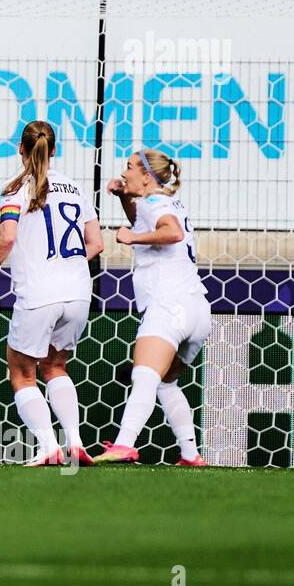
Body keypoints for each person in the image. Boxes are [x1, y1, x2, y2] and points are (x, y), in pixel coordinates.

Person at [0, 121, 104, 467]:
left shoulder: (15, 190)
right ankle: (76, 444)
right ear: (55, 149)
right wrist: (67, 262)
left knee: (21, 372)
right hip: (78, 292)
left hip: (39, 293)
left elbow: (7, 238)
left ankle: (48, 446)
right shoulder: (75, 189)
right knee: (56, 366)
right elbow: (97, 243)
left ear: (20, 148)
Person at [97, 151, 210, 466]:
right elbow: (145, 217)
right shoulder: (164, 202)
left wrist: (132, 238)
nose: (125, 172)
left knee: (144, 377)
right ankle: (190, 455)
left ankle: (123, 445)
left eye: (130, 167)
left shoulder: (156, 205)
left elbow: (170, 232)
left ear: (147, 176)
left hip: (168, 305)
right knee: (165, 382)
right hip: (197, 309)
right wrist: (122, 197)